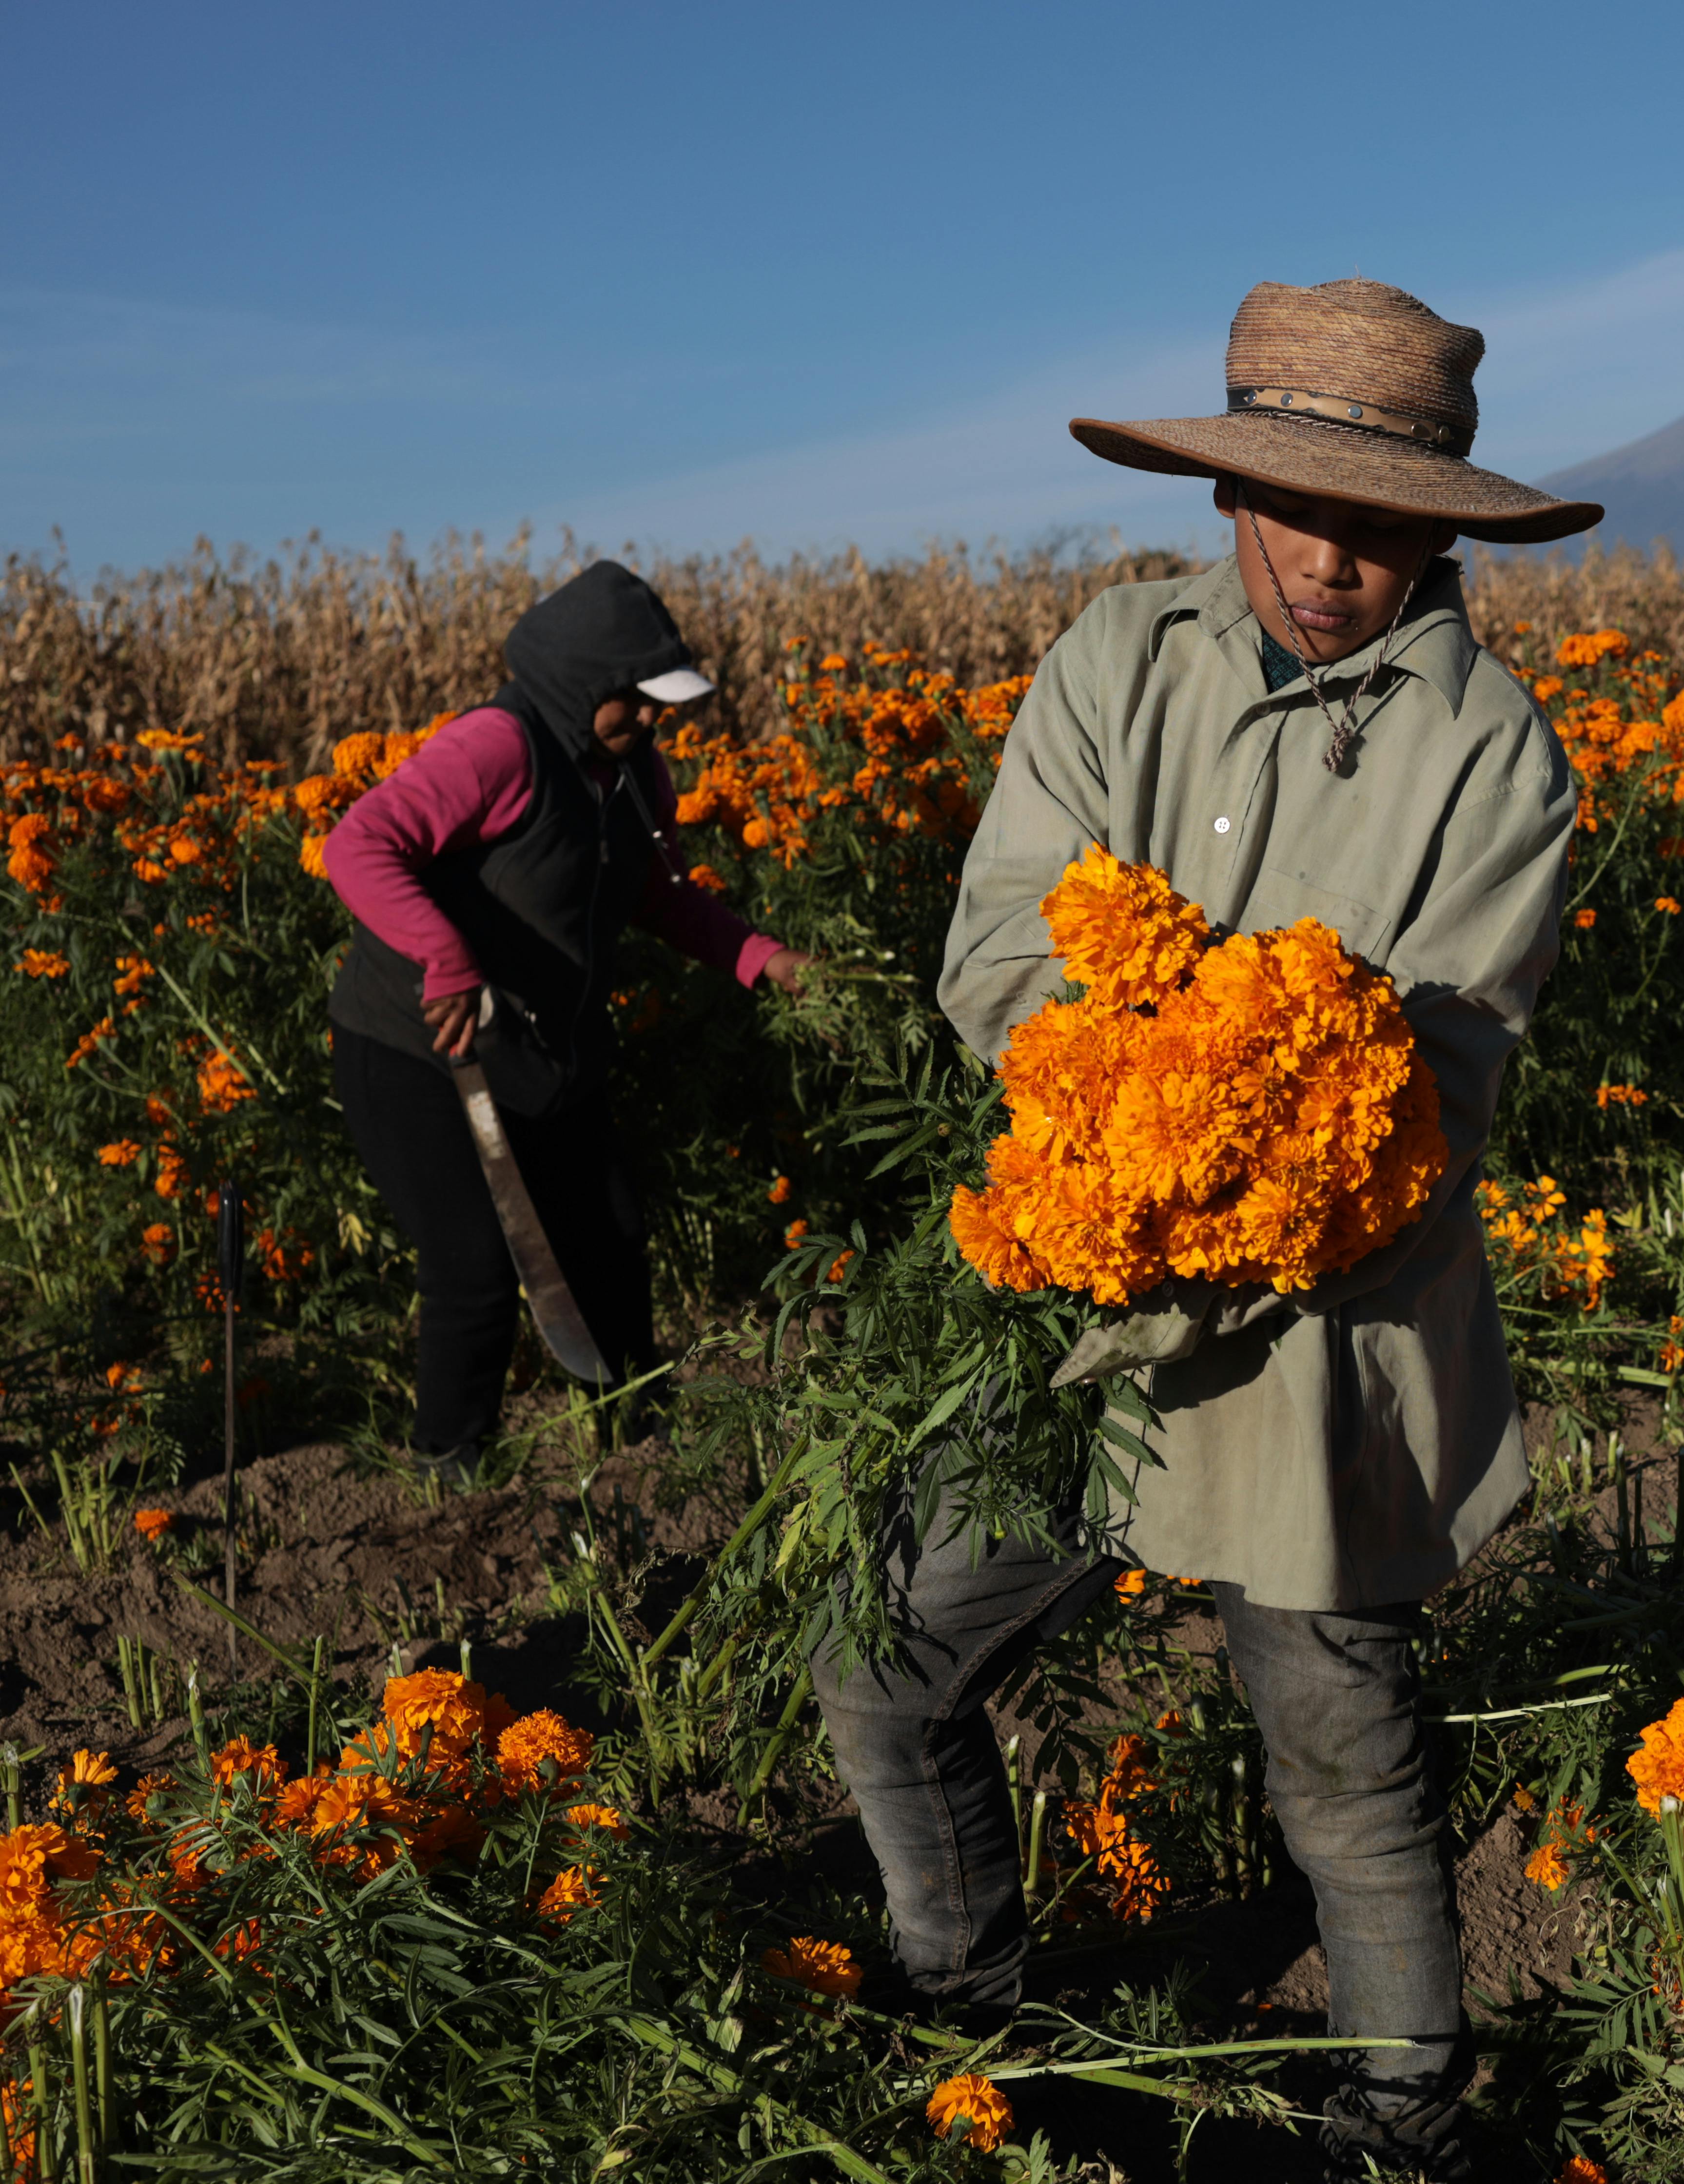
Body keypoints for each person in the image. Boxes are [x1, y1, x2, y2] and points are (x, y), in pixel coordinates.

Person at [811, 278, 1598, 2181]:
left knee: (1340, 1755)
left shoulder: (1495, 757)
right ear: (1231, 492)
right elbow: (1002, 943)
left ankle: (1403, 2117)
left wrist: (1254, 1160)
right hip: (1074, 1314)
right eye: (1302, 509)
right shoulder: (1117, 665)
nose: (1337, 561)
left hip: (1313, 1341)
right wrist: (1118, 1110)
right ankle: (972, 2024)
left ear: (1443, 526)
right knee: (886, 1670)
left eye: (1386, 522)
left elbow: (1440, 1091)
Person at [323, 560, 814, 1477]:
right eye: (634, 700)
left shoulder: (631, 772)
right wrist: (447, 958)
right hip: (417, 1047)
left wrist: (762, 958)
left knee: (610, 1237)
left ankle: (643, 1443)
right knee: (474, 1267)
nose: (651, 718)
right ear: (583, 684)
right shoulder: (498, 748)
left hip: (539, 1047)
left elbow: (661, 898)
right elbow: (357, 845)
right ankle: (448, 1473)